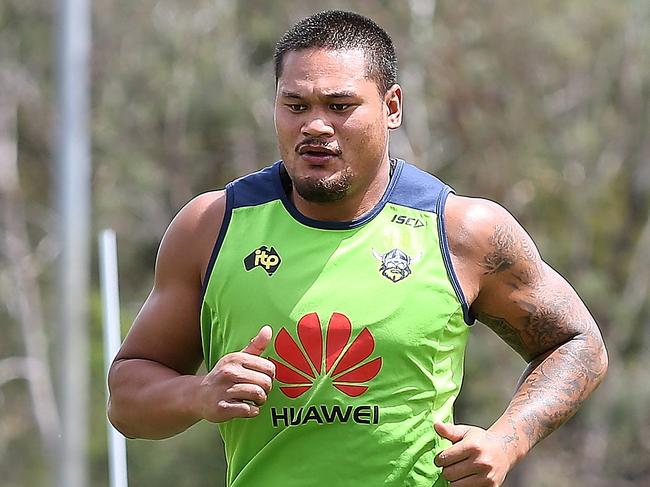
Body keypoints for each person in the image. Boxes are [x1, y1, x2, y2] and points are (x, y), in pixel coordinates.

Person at [107, 10, 608, 487]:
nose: (315, 126)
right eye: (295, 106)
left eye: (340, 106)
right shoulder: (210, 227)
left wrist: (506, 442)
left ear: (391, 108)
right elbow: (126, 399)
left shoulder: (462, 231)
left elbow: (576, 345)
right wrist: (197, 394)